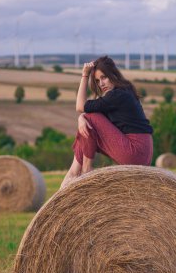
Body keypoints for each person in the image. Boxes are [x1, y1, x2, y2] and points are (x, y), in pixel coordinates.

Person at [60, 56, 153, 189]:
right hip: (141, 152)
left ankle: (84, 172)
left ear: (113, 75)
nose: (101, 84)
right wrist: (81, 118)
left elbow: (80, 107)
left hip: (136, 151)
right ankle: (71, 177)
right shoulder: (123, 92)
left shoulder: (116, 96)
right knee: (87, 125)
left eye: (104, 77)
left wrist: (85, 75)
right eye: (97, 81)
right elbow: (86, 114)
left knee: (90, 119)